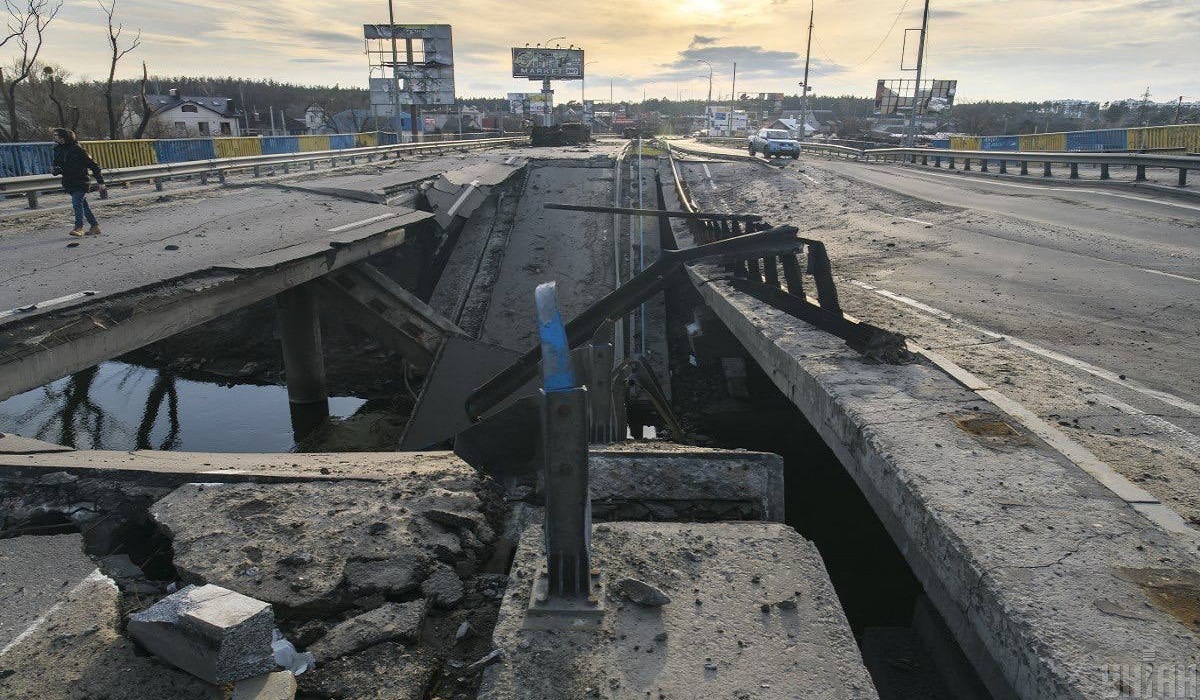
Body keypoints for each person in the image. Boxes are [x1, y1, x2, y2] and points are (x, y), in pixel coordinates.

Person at [50, 128, 106, 237]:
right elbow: (56, 166)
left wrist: (101, 182)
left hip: (81, 182)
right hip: (69, 182)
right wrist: (55, 170)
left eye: (56, 135)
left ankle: (78, 228)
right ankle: (95, 226)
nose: (54, 137)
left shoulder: (78, 150)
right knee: (83, 205)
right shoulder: (58, 150)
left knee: (77, 204)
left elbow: (94, 166)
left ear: (63, 137)